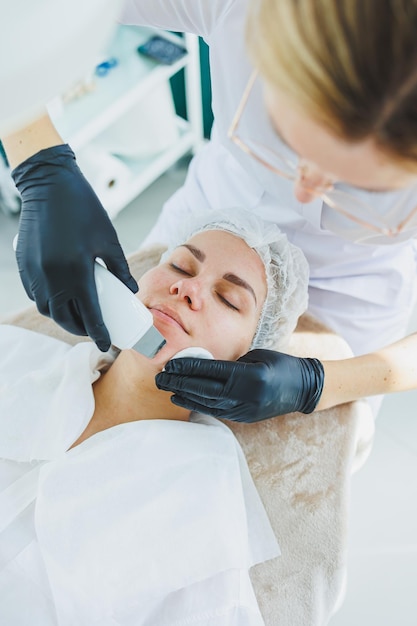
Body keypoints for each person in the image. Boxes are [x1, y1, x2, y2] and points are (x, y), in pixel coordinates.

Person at [3, 0, 417, 420]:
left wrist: (320, 384)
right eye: (291, 144)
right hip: (214, 207)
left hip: (356, 282)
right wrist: (40, 162)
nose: (304, 191)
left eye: (358, 183)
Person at [0, 209, 309, 625]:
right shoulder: (14, 357)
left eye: (227, 299)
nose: (186, 288)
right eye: (180, 265)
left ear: (246, 360)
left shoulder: (201, 500)